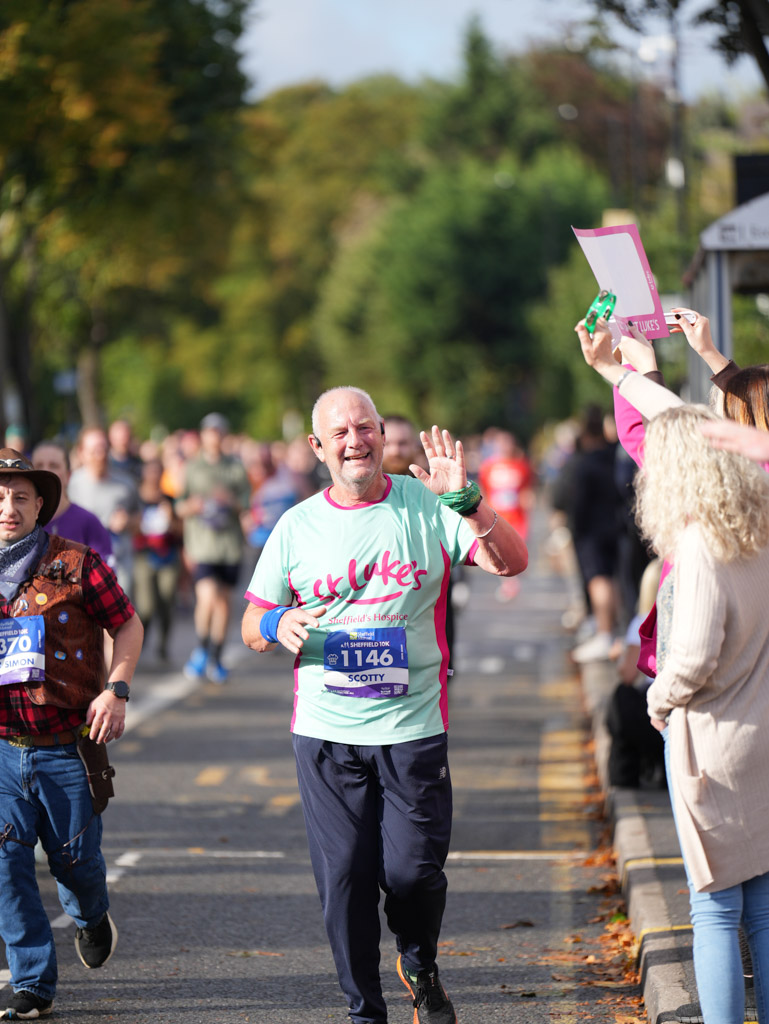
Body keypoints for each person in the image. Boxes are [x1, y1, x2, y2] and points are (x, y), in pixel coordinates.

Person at [241, 387, 528, 1024]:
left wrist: (469, 503)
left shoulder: (428, 504)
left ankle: (419, 958)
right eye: (339, 433)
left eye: (364, 428)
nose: (355, 442)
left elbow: (512, 563)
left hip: (413, 725)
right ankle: (364, 1012)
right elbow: (253, 620)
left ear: (379, 434)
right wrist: (275, 625)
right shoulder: (296, 525)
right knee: (344, 882)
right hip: (325, 731)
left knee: (414, 876)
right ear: (317, 448)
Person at [634, 406, 769, 1024]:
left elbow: (690, 657)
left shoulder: (698, 542)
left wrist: (657, 699)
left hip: (711, 737)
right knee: (764, 906)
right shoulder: (758, 529)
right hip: (761, 726)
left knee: (713, 907)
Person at [0, 449, 143, 1020]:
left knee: (76, 863)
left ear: (39, 506)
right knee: (6, 865)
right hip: (3, 748)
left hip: (66, 746)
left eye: (19, 496)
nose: (7, 507)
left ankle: (89, 913)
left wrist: (118, 689)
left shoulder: (78, 563)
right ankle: (32, 982)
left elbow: (127, 623)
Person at [177, 413, 250, 684]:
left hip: (229, 545)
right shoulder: (192, 468)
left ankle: (216, 656)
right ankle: (201, 649)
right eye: (210, 432)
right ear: (203, 435)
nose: (215, 437)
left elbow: (246, 502)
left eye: (219, 432)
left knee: (223, 603)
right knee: (207, 597)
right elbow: (178, 505)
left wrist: (231, 501)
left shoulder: (235, 467)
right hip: (201, 544)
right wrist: (192, 506)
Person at [68, 428, 140, 598]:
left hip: (118, 565)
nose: (100, 455)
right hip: (83, 566)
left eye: (103, 449)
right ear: (82, 453)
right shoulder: (71, 485)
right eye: (94, 451)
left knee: (120, 620)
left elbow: (140, 521)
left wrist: (127, 522)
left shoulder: (125, 483)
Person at [133, 457, 183, 662]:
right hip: (144, 556)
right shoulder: (136, 498)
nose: (153, 476)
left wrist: (170, 518)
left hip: (167, 558)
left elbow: (181, 531)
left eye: (157, 472)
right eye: (150, 472)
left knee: (166, 601)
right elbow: (131, 526)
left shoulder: (168, 500)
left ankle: (162, 645)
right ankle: (138, 646)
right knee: (145, 606)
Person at [31, 440, 113, 562]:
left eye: (54, 466)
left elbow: (106, 576)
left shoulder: (88, 522)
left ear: (68, 475)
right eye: (39, 465)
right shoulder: (20, 522)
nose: (46, 471)